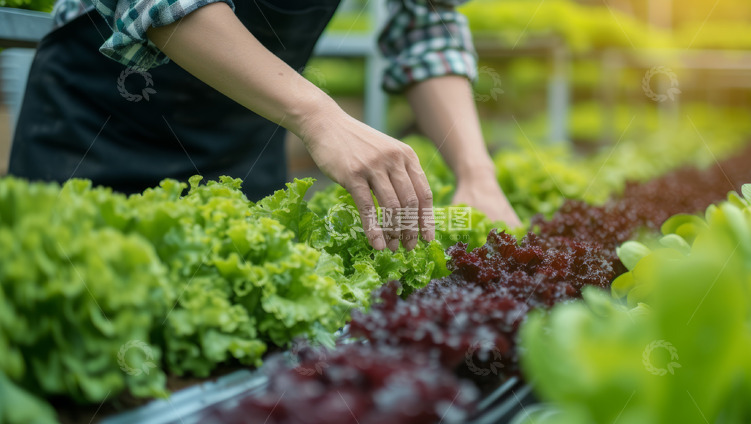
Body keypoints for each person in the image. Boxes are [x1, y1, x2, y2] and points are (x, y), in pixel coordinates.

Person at [8, 0, 521, 251]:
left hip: (242, 146)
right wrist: (319, 115)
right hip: (97, 129)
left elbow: (426, 25)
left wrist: (477, 174)